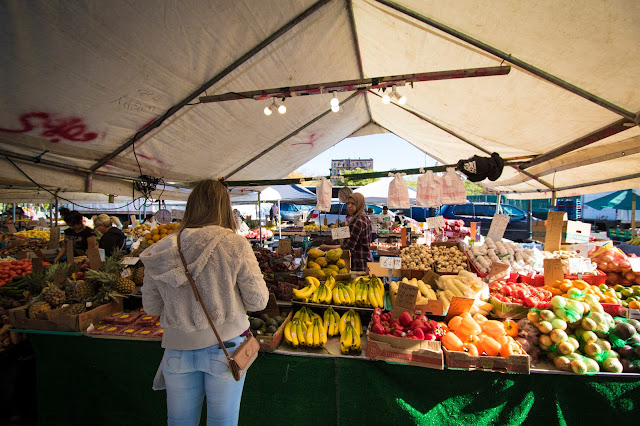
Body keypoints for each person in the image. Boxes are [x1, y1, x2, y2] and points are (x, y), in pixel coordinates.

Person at [140, 179, 269, 425]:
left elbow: (151, 308)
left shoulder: (161, 248)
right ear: (224, 206)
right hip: (226, 348)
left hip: (177, 349)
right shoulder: (234, 243)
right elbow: (258, 300)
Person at [321, 193, 373, 272]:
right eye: (348, 203)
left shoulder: (357, 221)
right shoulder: (365, 218)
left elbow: (347, 248)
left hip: (356, 264)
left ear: (359, 204)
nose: (349, 206)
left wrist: (326, 247)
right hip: (364, 262)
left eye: (353, 203)